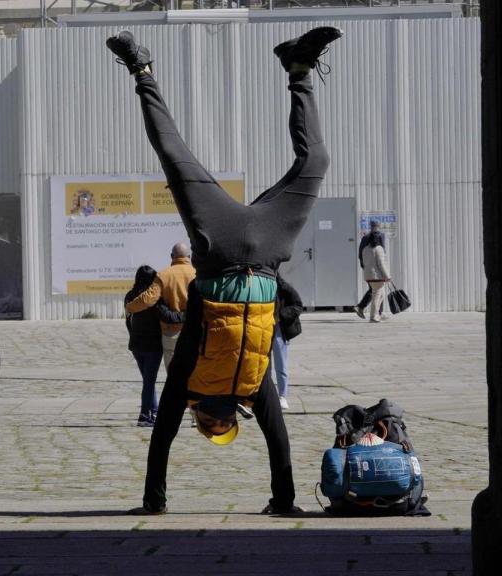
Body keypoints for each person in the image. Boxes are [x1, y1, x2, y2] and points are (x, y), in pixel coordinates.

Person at [106, 26, 341, 515]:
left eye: (210, 429)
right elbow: (279, 443)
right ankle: (299, 70)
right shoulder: (254, 387)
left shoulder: (187, 383)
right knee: (316, 160)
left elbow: (161, 438)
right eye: (222, 427)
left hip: (217, 243)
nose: (215, 425)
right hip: (272, 244)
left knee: (173, 156)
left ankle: (141, 70)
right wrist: (284, 502)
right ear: (232, 419)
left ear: (199, 419)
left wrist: (153, 503)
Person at [124, 242, 196, 372]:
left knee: (174, 377)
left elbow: (147, 300)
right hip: (195, 331)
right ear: (189, 257)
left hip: (171, 332)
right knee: (193, 375)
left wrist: (130, 307)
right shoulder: (198, 274)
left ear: (171, 256)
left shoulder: (164, 275)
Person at [125, 265, 165, 426]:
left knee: (148, 380)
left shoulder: (129, 296)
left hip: (136, 343)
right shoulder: (154, 298)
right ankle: (144, 415)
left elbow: (128, 321)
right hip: (153, 344)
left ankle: (154, 412)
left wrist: (133, 335)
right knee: (149, 381)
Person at [266, 274, 304, 410]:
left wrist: (281, 315)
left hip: (277, 328)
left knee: (281, 364)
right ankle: (268, 395)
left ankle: (282, 395)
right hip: (262, 327)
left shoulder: (283, 287)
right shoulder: (258, 284)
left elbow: (298, 305)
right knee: (265, 365)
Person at [354, 220, 387, 318]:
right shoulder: (380, 236)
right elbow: (382, 252)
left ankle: (369, 309)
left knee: (375, 289)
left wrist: (364, 265)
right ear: (378, 226)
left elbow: (360, 253)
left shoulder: (365, 237)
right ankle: (364, 308)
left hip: (368, 267)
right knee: (378, 289)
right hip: (377, 268)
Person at [360, 226, 392, 322]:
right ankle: (373, 317)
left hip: (368, 276)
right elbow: (381, 264)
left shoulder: (365, 249)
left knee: (380, 294)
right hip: (377, 277)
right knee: (377, 296)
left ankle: (376, 314)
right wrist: (387, 276)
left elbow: (364, 262)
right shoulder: (379, 249)